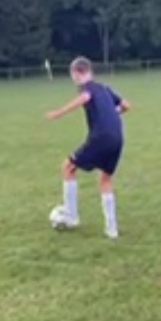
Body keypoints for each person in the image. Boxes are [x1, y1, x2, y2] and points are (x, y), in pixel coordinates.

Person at [45, 56, 130, 239]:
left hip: (100, 137)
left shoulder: (88, 88)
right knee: (105, 179)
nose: (73, 79)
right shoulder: (105, 89)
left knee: (68, 166)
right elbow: (126, 106)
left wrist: (57, 113)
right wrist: (111, 114)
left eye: (72, 75)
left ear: (78, 73)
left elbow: (84, 98)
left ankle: (71, 216)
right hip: (117, 138)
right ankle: (112, 230)